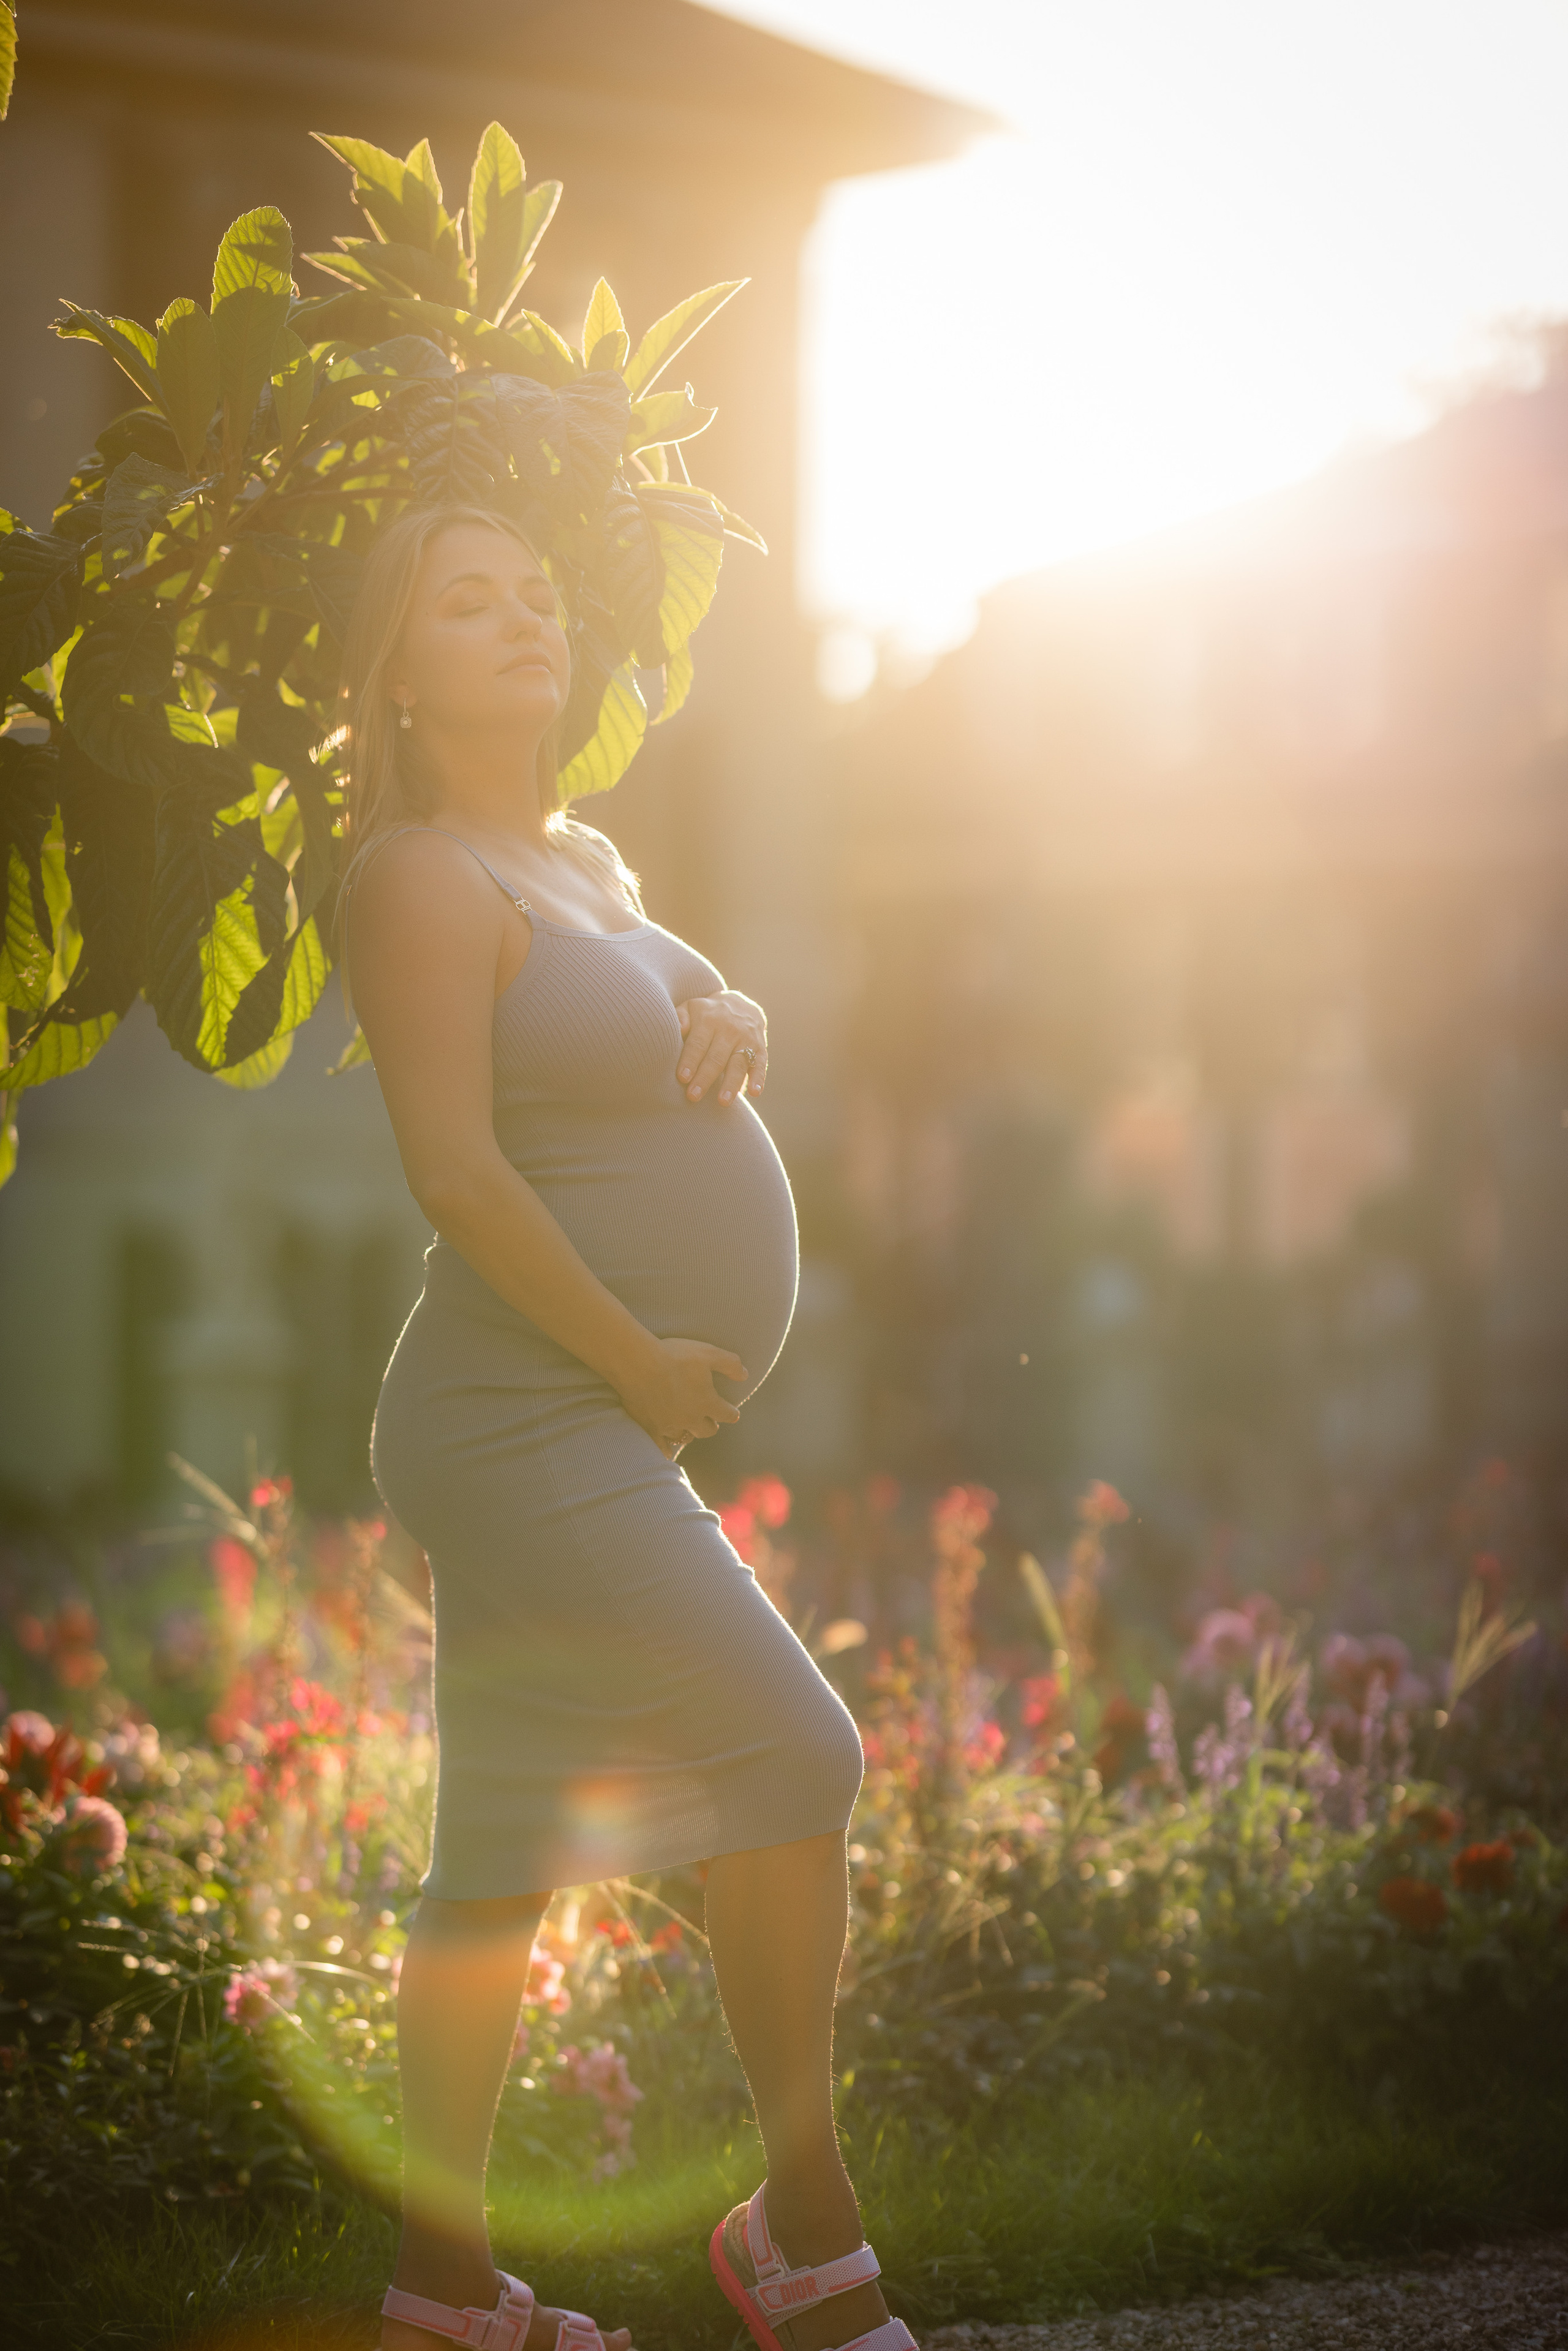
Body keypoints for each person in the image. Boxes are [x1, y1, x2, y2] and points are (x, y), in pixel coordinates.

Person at [339, 504, 914, 2351]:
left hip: (581, 1411)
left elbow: (658, 1007)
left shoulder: (579, 854)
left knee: (495, 1851)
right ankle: (803, 2247)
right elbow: (456, 1171)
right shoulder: (417, 875)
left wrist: (728, 1005)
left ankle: (441, 2293)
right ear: (403, 671)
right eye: (465, 601)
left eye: (535, 595)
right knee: (799, 1751)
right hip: (520, 1408)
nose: (520, 621)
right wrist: (645, 1370)